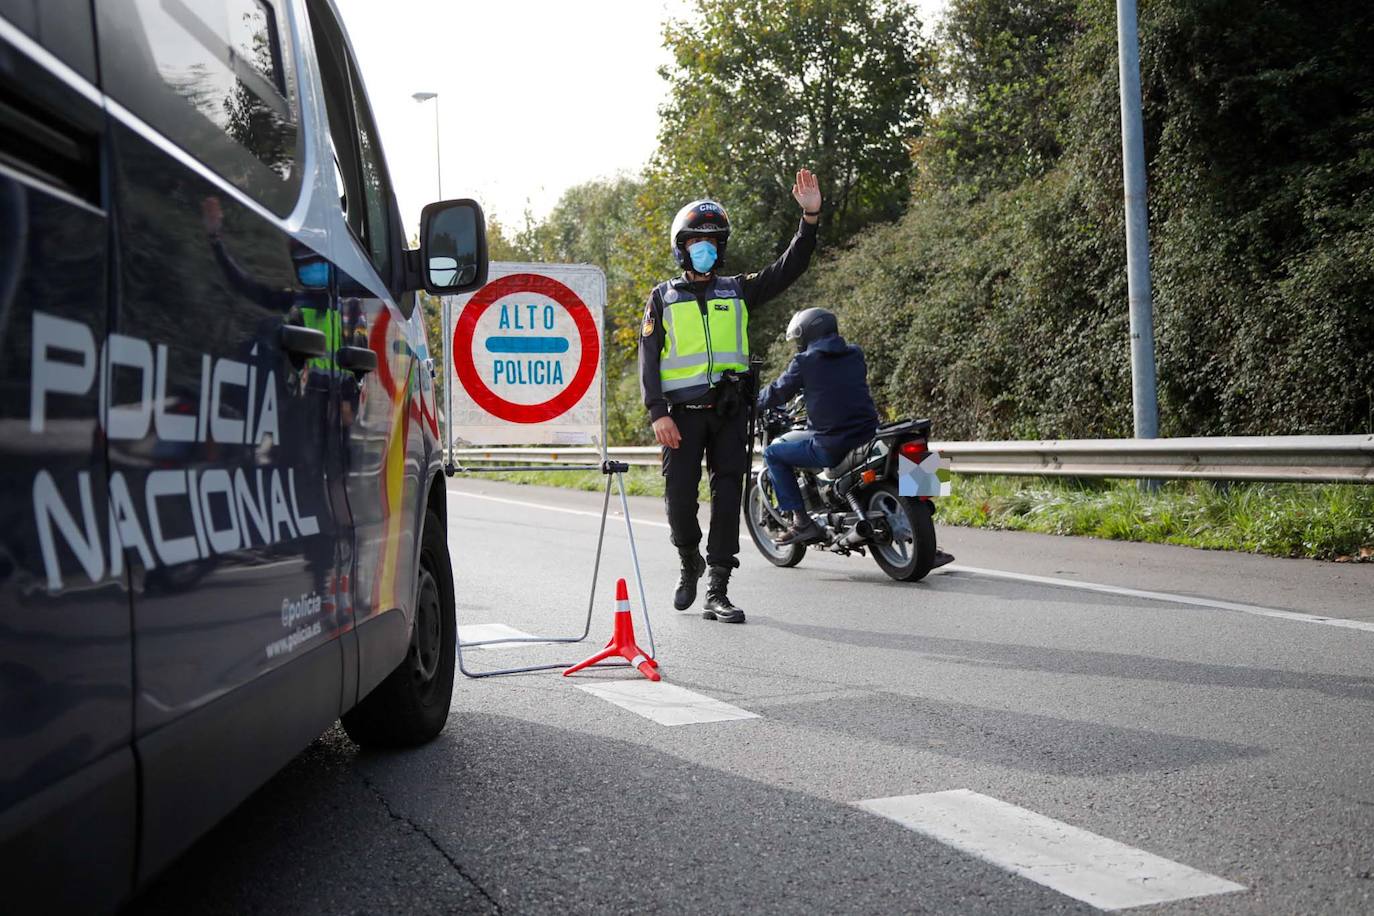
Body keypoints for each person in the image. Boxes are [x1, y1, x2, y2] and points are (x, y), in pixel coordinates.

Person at [639, 169, 823, 624]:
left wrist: (810, 216)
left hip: (729, 412)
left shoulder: (737, 290)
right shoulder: (662, 298)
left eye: (713, 242)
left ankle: (717, 587)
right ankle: (689, 562)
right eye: (695, 241)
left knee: (727, 499)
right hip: (680, 417)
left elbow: (790, 267)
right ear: (681, 247)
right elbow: (648, 358)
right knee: (679, 502)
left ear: (720, 249)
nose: (704, 249)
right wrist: (657, 411)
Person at [757, 308, 956, 567]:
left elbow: (777, 392)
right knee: (916, 464)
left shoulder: (804, 363)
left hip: (832, 445)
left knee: (773, 454)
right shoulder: (854, 353)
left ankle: (801, 521)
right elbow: (838, 385)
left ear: (807, 335)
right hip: (869, 434)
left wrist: (752, 402)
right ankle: (929, 545)